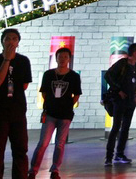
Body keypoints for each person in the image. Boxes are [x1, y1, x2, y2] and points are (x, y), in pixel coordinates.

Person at [0, 28, 33, 179]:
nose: (11, 41)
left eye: (14, 39)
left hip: (17, 112)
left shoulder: (23, 61)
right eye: (7, 39)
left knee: (20, 150)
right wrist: (6, 60)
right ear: (2, 41)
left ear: (18, 42)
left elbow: (25, 85)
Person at [29, 47, 82, 179]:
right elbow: (44, 92)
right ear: (56, 58)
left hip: (65, 115)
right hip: (50, 114)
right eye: (60, 56)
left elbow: (77, 94)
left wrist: (69, 106)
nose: (62, 59)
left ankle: (55, 170)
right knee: (43, 143)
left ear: (69, 59)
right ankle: (33, 170)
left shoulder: (74, 76)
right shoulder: (48, 74)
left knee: (60, 144)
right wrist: (50, 104)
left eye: (65, 57)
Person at [104, 44, 136, 166]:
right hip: (119, 101)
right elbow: (108, 76)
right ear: (135, 52)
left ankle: (119, 154)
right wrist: (118, 90)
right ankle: (109, 157)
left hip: (130, 102)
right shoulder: (122, 64)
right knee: (116, 127)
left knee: (125, 129)